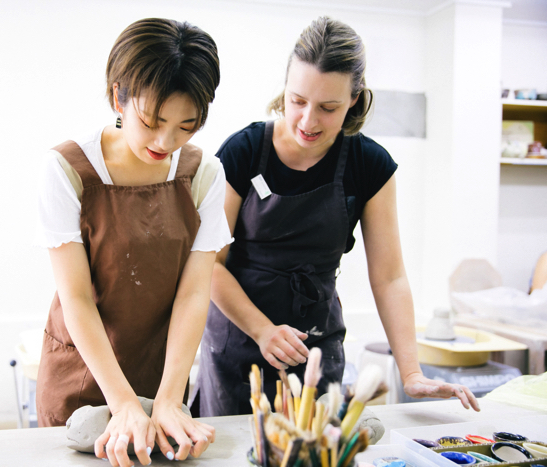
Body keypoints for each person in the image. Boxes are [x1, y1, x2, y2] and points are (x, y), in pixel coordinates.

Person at [193, 16, 480, 417]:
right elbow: (210, 265)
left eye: (328, 108)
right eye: (297, 101)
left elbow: (390, 276)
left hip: (315, 345)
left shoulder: (370, 166)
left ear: (354, 100)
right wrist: (261, 329)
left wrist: (411, 373)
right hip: (239, 346)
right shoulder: (243, 152)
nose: (308, 121)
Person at [35, 18, 230, 467]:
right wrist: (122, 404)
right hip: (83, 377)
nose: (167, 141)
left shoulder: (204, 174)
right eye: (152, 120)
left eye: (187, 125)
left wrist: (168, 398)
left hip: (162, 373)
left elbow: (194, 292)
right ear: (117, 95)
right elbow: (78, 298)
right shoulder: (66, 170)